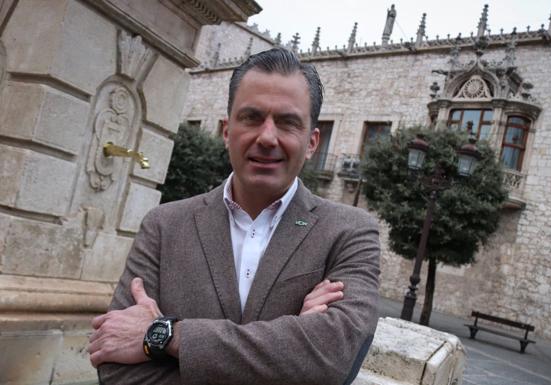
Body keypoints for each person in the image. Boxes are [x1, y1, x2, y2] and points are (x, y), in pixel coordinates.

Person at [87, 48, 380, 385]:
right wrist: (292, 348)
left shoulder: (350, 233)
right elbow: (116, 369)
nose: (267, 137)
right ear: (227, 131)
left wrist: (164, 335)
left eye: (287, 122)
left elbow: (332, 357)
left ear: (312, 142)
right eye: (252, 118)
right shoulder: (164, 226)